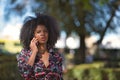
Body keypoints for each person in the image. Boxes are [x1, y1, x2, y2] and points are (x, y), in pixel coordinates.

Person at [16, 13, 63, 80]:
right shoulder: (24, 54)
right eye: (38, 32)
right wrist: (34, 52)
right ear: (33, 35)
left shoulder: (56, 56)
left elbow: (60, 77)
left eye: (45, 31)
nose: (42, 34)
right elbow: (25, 74)